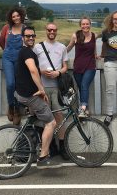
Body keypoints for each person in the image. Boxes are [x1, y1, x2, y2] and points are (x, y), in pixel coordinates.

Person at [15, 26, 61, 169]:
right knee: (51, 123)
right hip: (29, 96)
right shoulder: (27, 52)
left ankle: (34, 145)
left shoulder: (25, 51)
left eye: (33, 36)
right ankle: (43, 157)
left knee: (38, 118)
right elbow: (33, 70)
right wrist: (42, 90)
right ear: (22, 37)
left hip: (22, 93)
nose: (31, 38)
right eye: (27, 36)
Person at [34, 22, 69, 159]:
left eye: (54, 30)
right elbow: (33, 66)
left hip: (56, 88)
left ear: (57, 30)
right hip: (42, 88)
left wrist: (58, 73)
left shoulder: (61, 47)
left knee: (59, 117)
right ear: (46, 30)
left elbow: (65, 66)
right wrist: (41, 71)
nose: (52, 32)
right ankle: (50, 147)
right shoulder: (38, 47)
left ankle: (62, 146)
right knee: (45, 119)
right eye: (49, 30)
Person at [0, 7, 26, 125]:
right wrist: (7, 51)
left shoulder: (25, 28)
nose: (16, 18)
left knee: (19, 84)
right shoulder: (7, 28)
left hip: (20, 59)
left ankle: (17, 111)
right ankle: (11, 105)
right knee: (10, 84)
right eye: (13, 16)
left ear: (21, 16)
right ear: (11, 18)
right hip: (7, 58)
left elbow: (29, 42)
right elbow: (1, 41)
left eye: (17, 16)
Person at [67, 17, 97, 118]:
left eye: (87, 24)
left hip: (90, 66)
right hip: (78, 66)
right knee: (81, 88)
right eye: (83, 24)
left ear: (90, 25)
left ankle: (82, 109)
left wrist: (97, 55)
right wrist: (59, 56)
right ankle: (85, 108)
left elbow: (94, 48)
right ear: (80, 25)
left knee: (84, 85)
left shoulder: (94, 35)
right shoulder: (76, 35)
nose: (85, 26)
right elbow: (69, 47)